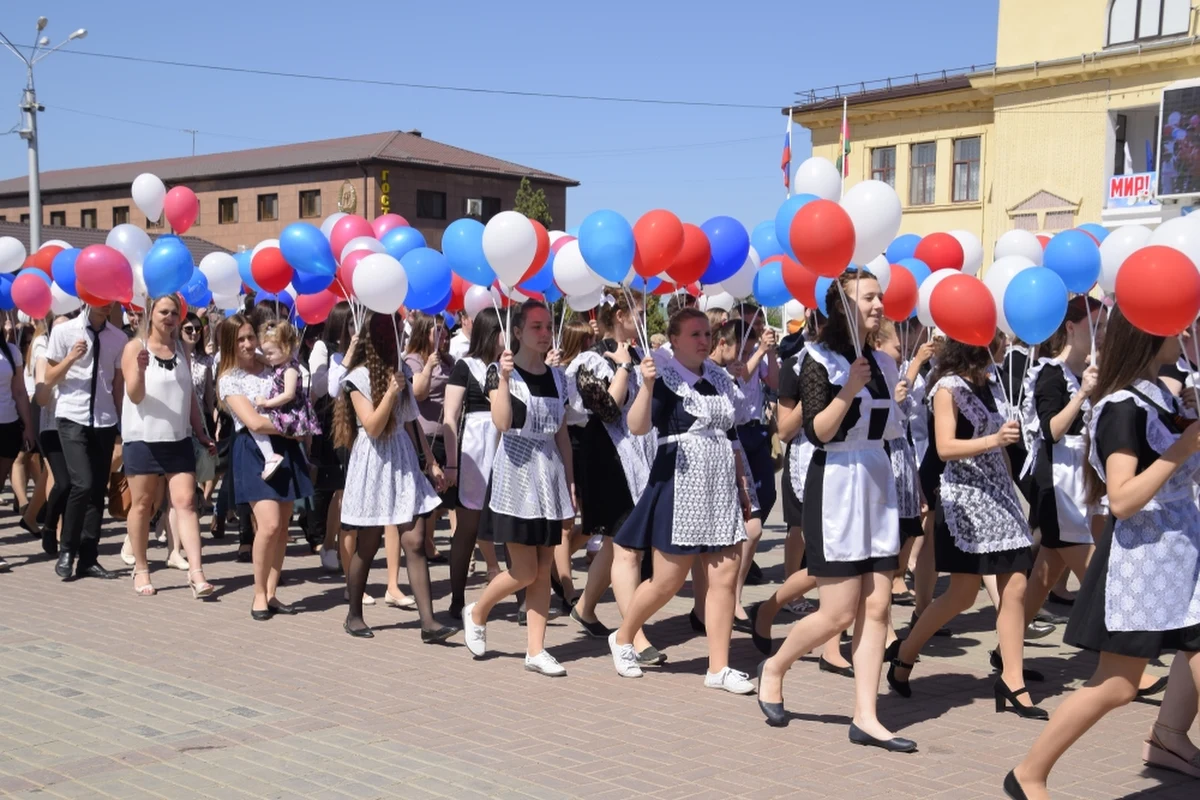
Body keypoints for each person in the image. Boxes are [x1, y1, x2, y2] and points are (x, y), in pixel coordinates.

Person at [1006, 306, 1200, 800]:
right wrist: (1184, 447)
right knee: (1117, 685)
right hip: (1141, 563)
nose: (1182, 332)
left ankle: (1168, 740)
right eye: (1171, 323)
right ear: (1145, 336)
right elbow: (1123, 498)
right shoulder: (1120, 407)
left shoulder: (1163, 394)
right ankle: (1028, 772)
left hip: (1183, 555)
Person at [756, 271, 911, 751]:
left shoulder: (882, 360)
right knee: (839, 611)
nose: (879, 303)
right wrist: (849, 390)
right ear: (843, 306)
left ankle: (866, 715)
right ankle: (775, 666)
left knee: (879, 605)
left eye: (879, 295)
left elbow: (891, 426)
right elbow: (818, 431)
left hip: (877, 482)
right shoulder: (817, 359)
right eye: (868, 297)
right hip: (837, 483)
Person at [888, 333, 1045, 718]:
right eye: (998, 337)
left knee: (1016, 585)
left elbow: (1002, 446)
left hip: (998, 495)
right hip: (964, 498)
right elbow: (944, 448)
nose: (1005, 342)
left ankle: (1012, 679)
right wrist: (994, 439)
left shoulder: (991, 383)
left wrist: (1011, 483)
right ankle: (905, 655)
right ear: (977, 342)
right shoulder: (947, 388)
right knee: (962, 595)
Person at [608, 307, 753, 694]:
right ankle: (623, 637)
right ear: (674, 339)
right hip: (681, 479)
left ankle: (718, 667)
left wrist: (742, 487)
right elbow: (637, 427)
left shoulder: (719, 378)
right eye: (695, 334)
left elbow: (732, 435)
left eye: (707, 334)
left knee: (724, 576)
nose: (705, 341)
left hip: (719, 483)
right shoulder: (665, 375)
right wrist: (648, 386)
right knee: (667, 580)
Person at [461, 301, 576, 677]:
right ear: (518, 331)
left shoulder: (558, 377)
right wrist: (507, 381)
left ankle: (536, 649)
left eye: (548, 327)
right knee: (524, 570)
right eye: (536, 327)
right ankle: (478, 611)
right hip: (515, 473)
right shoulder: (499, 372)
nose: (544, 334)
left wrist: (571, 486)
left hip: (549, 477)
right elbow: (503, 423)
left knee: (543, 569)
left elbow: (562, 435)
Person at [334, 311, 457, 642]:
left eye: (395, 335)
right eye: (386, 337)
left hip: (402, 458)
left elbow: (411, 421)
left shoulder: (400, 369)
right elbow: (372, 427)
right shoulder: (357, 378)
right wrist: (390, 391)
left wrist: (430, 462)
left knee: (414, 540)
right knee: (369, 543)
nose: (394, 342)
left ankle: (428, 623)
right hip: (374, 462)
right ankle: (354, 614)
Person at [566, 296, 658, 658]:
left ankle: (585, 608)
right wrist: (622, 368)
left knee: (613, 542)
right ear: (619, 316)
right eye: (638, 314)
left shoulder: (641, 355)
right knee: (626, 545)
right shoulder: (590, 361)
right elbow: (605, 410)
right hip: (607, 457)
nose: (644, 320)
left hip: (639, 455)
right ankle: (634, 635)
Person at [216, 314, 313, 620]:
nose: (247, 344)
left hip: (284, 447)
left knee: (283, 527)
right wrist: (294, 425)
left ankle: (272, 593)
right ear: (229, 344)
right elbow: (254, 421)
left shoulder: (274, 363)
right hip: (255, 449)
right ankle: (258, 593)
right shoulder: (229, 378)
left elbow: (297, 388)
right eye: (240, 339)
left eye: (249, 337)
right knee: (268, 525)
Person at [121, 296, 216, 598]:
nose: (170, 317)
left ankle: (197, 572)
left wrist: (200, 432)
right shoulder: (135, 348)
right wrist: (138, 370)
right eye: (164, 312)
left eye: (175, 312)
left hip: (178, 438)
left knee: (186, 502)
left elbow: (188, 395)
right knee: (143, 505)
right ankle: (141, 568)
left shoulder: (182, 350)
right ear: (151, 313)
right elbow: (135, 396)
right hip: (143, 437)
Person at [1019, 298, 1105, 624]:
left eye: (1105, 328)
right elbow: (1051, 430)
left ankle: (1005, 651)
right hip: (1059, 485)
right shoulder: (1051, 372)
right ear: (1071, 327)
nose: (1102, 335)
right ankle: (1126, 666)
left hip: (1083, 479)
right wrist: (1082, 394)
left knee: (1043, 577)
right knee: (1098, 579)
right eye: (1096, 327)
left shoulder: (1089, 373)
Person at [43, 301, 126, 580]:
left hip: (104, 420)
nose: (106, 307)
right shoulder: (64, 332)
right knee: (82, 482)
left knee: (96, 490)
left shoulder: (118, 337)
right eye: (101, 302)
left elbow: (116, 384)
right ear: (88, 300)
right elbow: (49, 377)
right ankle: (67, 550)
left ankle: (89, 557)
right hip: (71, 417)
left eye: (110, 303)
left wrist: (121, 425)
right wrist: (70, 358)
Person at [442, 308, 504, 617]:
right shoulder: (464, 367)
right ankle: (456, 600)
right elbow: (450, 417)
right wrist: (452, 463)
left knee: (509, 526)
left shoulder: (511, 366)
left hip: (506, 447)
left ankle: (521, 601)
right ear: (492, 333)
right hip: (475, 450)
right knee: (467, 527)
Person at [405, 310, 455, 563]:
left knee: (442, 496)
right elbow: (419, 393)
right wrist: (428, 367)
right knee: (427, 496)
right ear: (424, 333)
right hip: (424, 437)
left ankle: (429, 541)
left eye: (445, 329)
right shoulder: (413, 359)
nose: (444, 334)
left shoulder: (450, 360)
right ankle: (424, 543)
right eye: (438, 330)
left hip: (446, 436)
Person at [251, 322, 319, 480]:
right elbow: (267, 360)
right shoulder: (280, 362)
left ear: (286, 348)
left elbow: (289, 394)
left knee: (255, 423)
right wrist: (256, 356)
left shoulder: (290, 369)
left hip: (291, 412)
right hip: (285, 410)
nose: (268, 357)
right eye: (266, 353)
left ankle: (271, 457)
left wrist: (267, 403)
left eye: (270, 353)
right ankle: (304, 461)